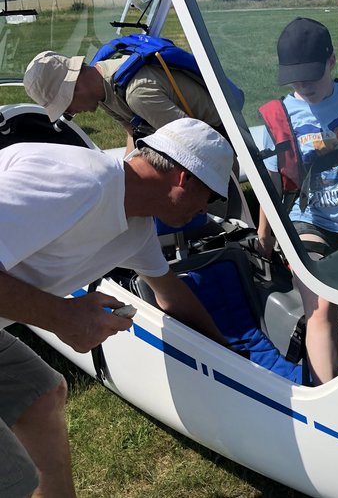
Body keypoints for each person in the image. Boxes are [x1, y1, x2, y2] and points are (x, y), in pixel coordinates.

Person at [0, 117, 234, 497]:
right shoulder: (80, 183)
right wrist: (64, 316)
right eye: (210, 197)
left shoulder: (135, 227)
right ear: (185, 178)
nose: (205, 210)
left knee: (40, 394)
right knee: (14, 482)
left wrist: (228, 356)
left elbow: (171, 294)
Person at [256, 17, 338, 385]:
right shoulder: (280, 118)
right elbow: (270, 181)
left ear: (332, 61)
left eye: (311, 77)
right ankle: (325, 392)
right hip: (308, 219)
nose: (303, 86)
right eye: (295, 79)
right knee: (321, 304)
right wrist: (265, 235)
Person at [23, 49, 224, 153]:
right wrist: (125, 176)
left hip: (220, 137)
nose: (72, 112)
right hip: (195, 139)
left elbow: (196, 142)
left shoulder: (138, 94)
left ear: (75, 87)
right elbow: (133, 133)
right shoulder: (101, 91)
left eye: (66, 106)